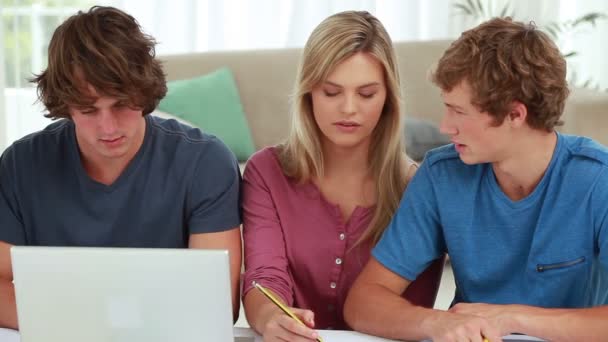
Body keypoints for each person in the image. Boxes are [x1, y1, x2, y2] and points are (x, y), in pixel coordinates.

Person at [344, 17, 608, 342]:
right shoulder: (441, 175)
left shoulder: (597, 180)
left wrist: (509, 318)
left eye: (459, 111)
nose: (445, 126)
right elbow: (363, 302)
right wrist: (435, 324)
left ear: (515, 114)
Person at [0, 6, 242, 329]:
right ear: (65, 105)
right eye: (88, 110)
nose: (108, 127)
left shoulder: (206, 163)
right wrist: (90, 325)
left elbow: (217, 305)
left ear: (144, 91)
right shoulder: (20, 165)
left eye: (121, 104)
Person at [241, 10, 445, 342]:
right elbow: (264, 277)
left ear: (388, 99)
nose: (348, 108)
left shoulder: (421, 188)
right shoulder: (267, 172)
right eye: (331, 92)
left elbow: (412, 310)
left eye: (366, 94)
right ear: (308, 92)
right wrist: (272, 320)